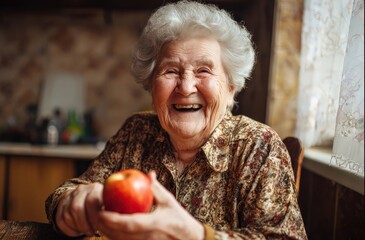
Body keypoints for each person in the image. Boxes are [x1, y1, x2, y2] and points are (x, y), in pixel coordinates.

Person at [45, 1, 307, 239]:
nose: (186, 87)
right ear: (151, 85)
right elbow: (74, 189)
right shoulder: (136, 131)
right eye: (171, 70)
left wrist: (195, 235)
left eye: (204, 70)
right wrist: (70, 204)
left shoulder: (258, 146)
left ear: (230, 88)